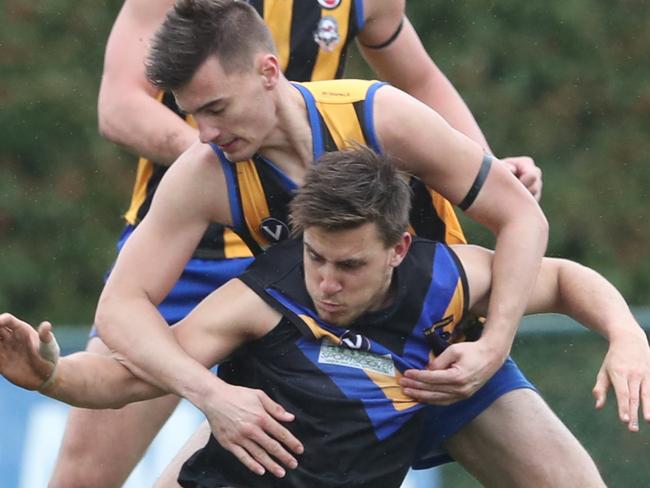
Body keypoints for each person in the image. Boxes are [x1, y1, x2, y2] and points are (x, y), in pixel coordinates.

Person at [53, 0, 543, 485]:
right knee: (89, 466)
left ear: (269, 71)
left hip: (437, 350)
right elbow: (119, 110)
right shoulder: (210, 172)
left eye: (215, 109)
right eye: (193, 115)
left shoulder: (380, 117)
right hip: (279, 317)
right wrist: (211, 395)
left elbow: (526, 225)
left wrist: (483, 168)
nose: (203, 133)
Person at [2, 146, 648, 487]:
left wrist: (623, 333)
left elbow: (563, 278)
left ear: (398, 249)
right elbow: (125, 378)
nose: (327, 284)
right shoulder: (260, 298)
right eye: (315, 258)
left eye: (350, 266)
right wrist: (50, 377)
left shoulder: (443, 276)